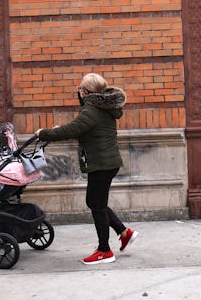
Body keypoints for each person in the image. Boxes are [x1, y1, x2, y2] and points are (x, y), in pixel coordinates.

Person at [35, 73, 138, 264]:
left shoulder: (91, 110)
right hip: (106, 163)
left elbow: (71, 130)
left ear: (86, 92)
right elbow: (79, 128)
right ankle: (124, 232)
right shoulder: (103, 108)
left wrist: (44, 133)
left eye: (80, 89)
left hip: (101, 165)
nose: (79, 92)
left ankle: (104, 251)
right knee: (95, 202)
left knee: (96, 205)